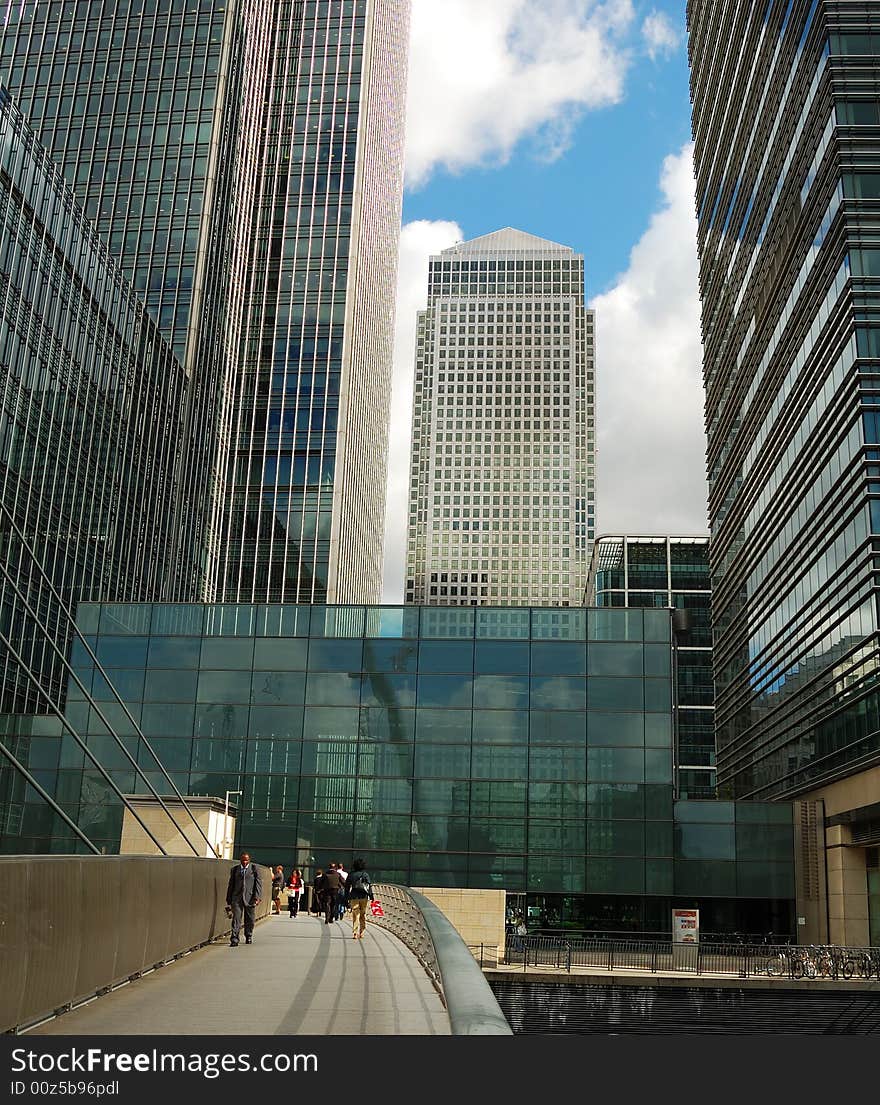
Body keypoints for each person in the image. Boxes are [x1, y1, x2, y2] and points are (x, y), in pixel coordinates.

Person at [225, 851, 262, 947]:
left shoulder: (254, 869)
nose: (244, 862)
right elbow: (231, 885)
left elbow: (258, 885)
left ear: (249, 860)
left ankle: (248, 935)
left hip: (250, 898)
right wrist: (228, 899)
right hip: (236, 899)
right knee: (236, 919)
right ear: (240, 860)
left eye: (246, 860)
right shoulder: (235, 870)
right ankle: (234, 939)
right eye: (243, 860)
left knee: (250, 919)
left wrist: (257, 897)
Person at [344, 858, 374, 940]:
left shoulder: (351, 874)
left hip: (354, 896)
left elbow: (346, 887)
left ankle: (355, 932)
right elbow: (369, 886)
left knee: (355, 914)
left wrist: (346, 897)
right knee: (362, 914)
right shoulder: (365, 874)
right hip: (364, 896)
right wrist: (371, 896)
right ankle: (361, 932)